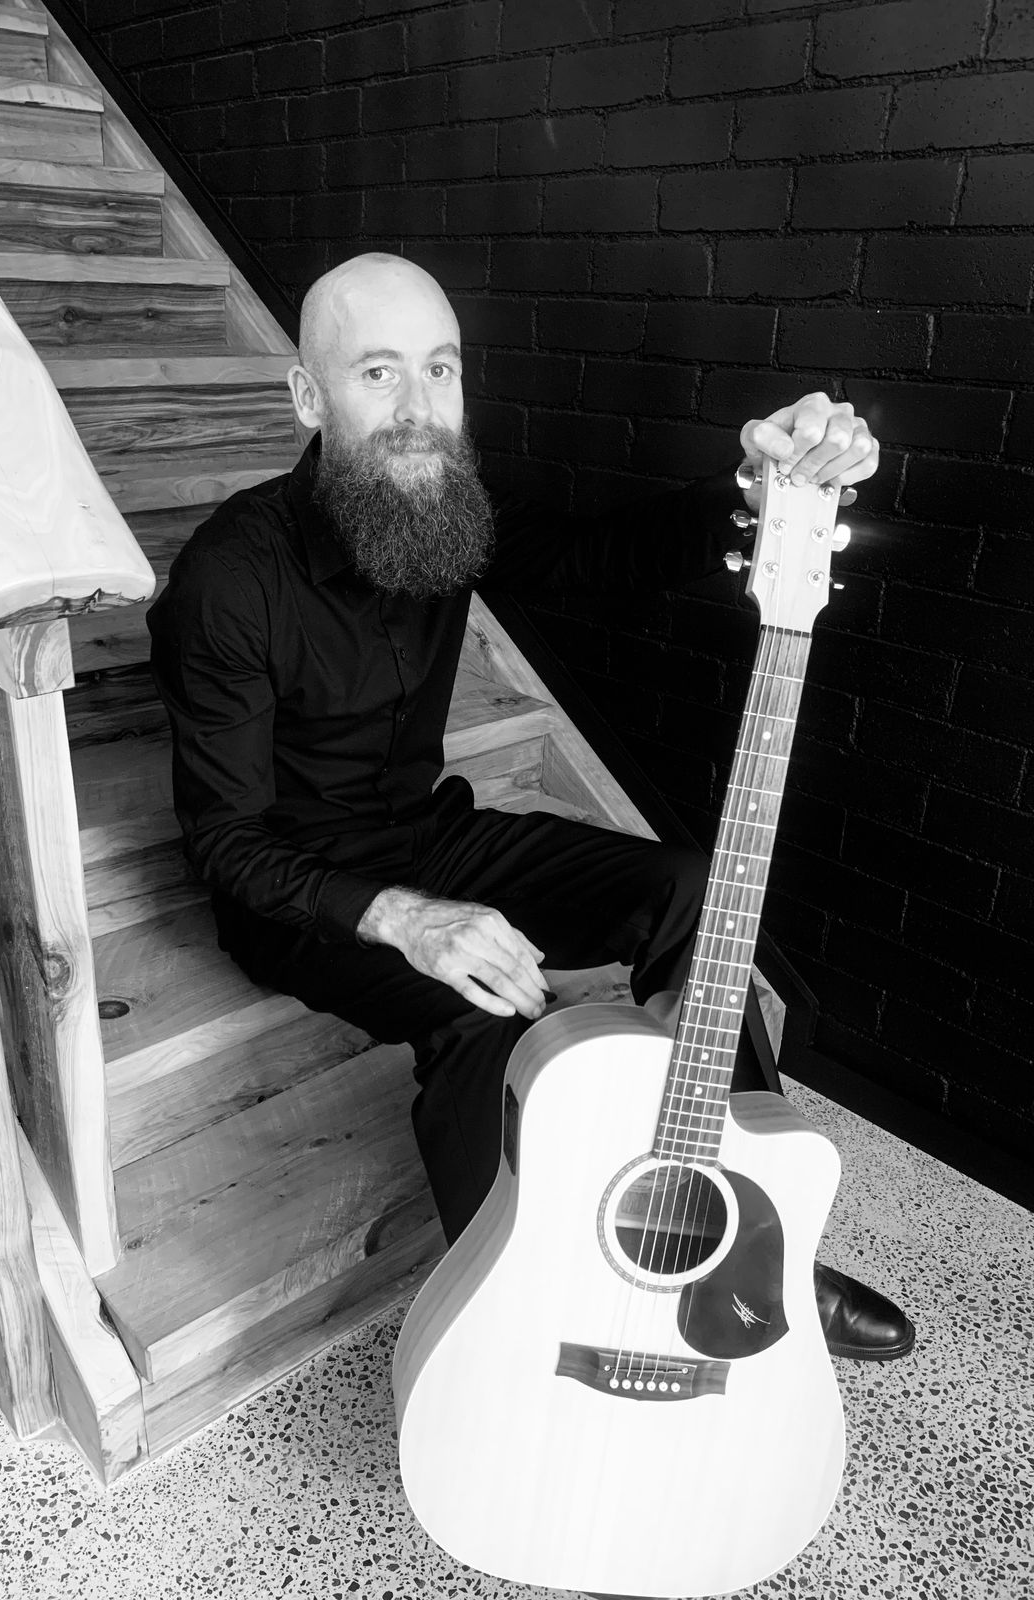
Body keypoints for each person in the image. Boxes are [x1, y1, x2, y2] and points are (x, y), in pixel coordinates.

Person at [147, 251, 914, 1363]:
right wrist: (405, 919)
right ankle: (516, 1331)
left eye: (441, 369)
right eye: (378, 373)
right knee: (481, 1015)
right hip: (306, 892)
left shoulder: (445, 505)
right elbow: (226, 843)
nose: (420, 408)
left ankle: (757, 1244)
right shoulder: (229, 577)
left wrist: (756, 485)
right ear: (309, 396)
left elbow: (598, 556)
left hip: (428, 835)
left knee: (693, 889)